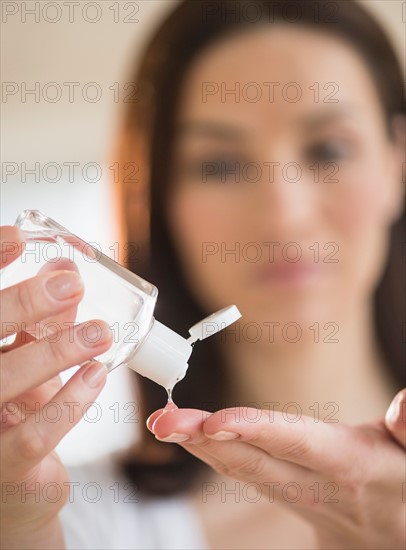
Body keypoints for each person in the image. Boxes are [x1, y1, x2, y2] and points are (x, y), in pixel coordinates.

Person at [1, 1, 405, 548]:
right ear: (161, 197)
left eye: (328, 149)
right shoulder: (63, 517)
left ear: (396, 163)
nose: (283, 213)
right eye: (220, 165)